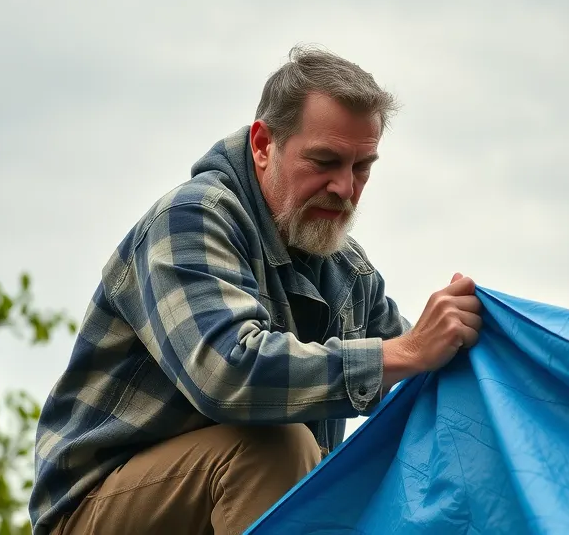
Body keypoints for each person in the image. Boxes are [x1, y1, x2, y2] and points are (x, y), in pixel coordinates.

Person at [30, 45, 483, 535]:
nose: (344, 187)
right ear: (264, 145)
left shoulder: (350, 272)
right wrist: (408, 351)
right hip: (92, 510)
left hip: (232, 508)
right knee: (276, 447)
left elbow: (424, 373)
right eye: (325, 161)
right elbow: (227, 373)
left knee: (375, 475)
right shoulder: (190, 220)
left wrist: (479, 345)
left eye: (361, 168)